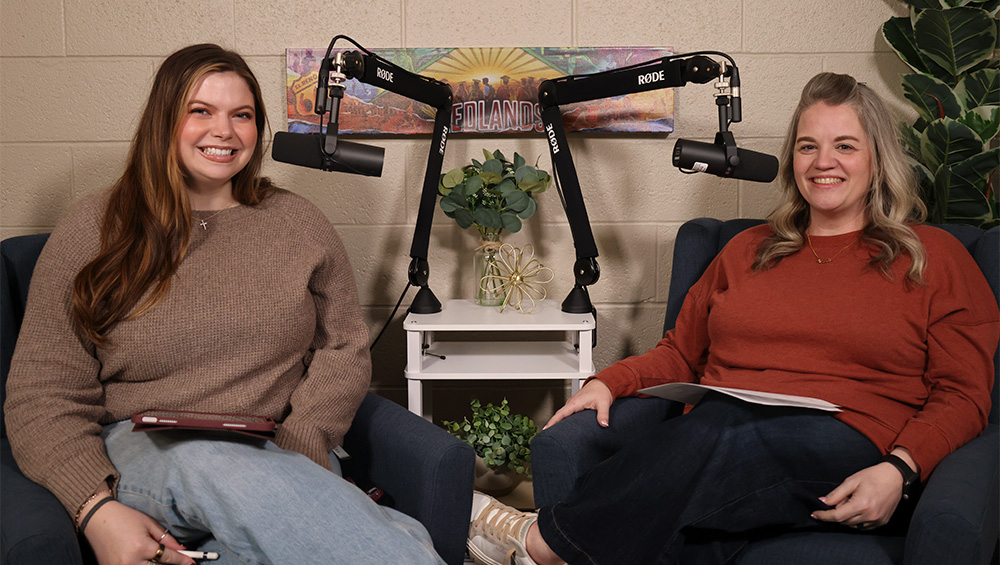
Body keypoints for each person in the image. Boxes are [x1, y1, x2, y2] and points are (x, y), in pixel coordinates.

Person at [465, 72, 1000, 564]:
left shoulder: (933, 256)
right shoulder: (747, 249)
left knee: (728, 429)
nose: (822, 162)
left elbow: (964, 393)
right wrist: (609, 381)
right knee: (706, 501)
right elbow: (679, 351)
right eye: (808, 146)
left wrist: (901, 468)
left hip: (856, 443)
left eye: (845, 146)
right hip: (722, 436)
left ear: (878, 159)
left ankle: (541, 544)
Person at [5, 44, 444, 565]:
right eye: (200, 112)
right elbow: (41, 393)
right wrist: (94, 508)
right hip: (147, 447)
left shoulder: (298, 223)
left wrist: (304, 442)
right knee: (225, 469)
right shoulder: (95, 227)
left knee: (394, 534)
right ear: (163, 121)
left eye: (243, 115)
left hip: (278, 448)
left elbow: (343, 348)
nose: (225, 131)